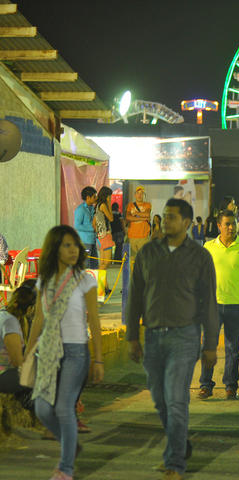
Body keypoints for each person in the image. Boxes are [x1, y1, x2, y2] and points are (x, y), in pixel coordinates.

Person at [126, 198, 219, 479]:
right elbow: (135, 295)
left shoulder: (200, 257)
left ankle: (175, 463)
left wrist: (210, 345)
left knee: (177, 399)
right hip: (153, 337)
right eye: (164, 216)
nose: (165, 221)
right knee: (160, 400)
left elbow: (209, 302)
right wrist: (132, 337)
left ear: (187, 222)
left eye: (172, 217)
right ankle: (180, 444)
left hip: (184, 337)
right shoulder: (148, 252)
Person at [25, 225, 104, 480]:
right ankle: (70, 446)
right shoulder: (44, 282)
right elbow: (38, 319)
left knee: (63, 408)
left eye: (75, 245)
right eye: (66, 245)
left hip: (76, 352)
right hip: (49, 352)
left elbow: (94, 321)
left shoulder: (85, 280)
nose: (73, 250)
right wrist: (27, 353)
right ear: (54, 249)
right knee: (42, 409)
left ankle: (65, 469)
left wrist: (99, 359)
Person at [199, 209, 239, 400]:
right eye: (227, 224)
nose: (231, 227)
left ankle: (231, 386)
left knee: (232, 348)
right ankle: (206, 385)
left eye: (233, 224)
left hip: (236, 305)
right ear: (219, 226)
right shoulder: (208, 246)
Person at [0, 282, 37, 412]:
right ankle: (29, 402)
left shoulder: (3, 314)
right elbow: (17, 361)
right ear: (29, 308)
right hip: (4, 375)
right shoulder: (10, 322)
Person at [125, 185, 152, 266]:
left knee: (144, 260)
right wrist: (144, 218)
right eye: (138, 193)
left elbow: (147, 214)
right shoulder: (130, 205)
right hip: (132, 236)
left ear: (144, 195)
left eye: (141, 193)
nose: (139, 195)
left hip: (143, 236)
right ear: (135, 195)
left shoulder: (147, 205)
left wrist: (136, 213)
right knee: (132, 260)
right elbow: (128, 217)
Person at [73, 186, 97, 269]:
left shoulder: (93, 208)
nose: (96, 198)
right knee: (85, 264)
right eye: (94, 196)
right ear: (88, 197)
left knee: (94, 264)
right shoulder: (80, 209)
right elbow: (77, 226)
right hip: (84, 242)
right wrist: (92, 228)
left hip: (93, 241)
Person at [93, 186, 114, 271]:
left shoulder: (97, 206)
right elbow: (111, 218)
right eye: (110, 196)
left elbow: (93, 223)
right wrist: (109, 204)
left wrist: (98, 232)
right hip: (106, 235)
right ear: (106, 196)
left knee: (102, 262)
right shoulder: (103, 205)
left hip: (99, 236)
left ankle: (102, 279)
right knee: (107, 262)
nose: (110, 198)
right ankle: (99, 278)